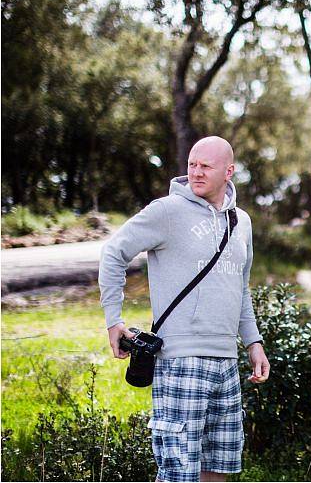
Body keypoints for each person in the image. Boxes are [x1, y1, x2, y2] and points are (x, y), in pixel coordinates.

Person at [98, 136, 270, 483]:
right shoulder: (167, 211)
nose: (196, 171)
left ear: (229, 171)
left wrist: (253, 343)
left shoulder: (242, 222)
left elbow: (240, 287)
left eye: (206, 165)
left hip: (226, 362)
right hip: (180, 361)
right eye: (192, 164)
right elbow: (113, 252)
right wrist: (113, 320)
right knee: (178, 475)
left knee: (219, 471)